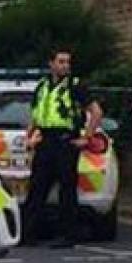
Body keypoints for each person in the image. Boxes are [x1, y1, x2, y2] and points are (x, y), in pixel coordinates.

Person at [22, 48, 103, 249]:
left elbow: (96, 112)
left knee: (67, 191)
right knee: (37, 188)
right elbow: (36, 114)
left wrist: (86, 138)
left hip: (66, 141)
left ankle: (68, 235)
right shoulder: (42, 86)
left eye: (67, 62)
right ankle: (28, 234)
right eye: (61, 62)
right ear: (51, 64)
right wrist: (29, 136)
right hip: (45, 141)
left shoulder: (76, 86)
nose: (65, 65)